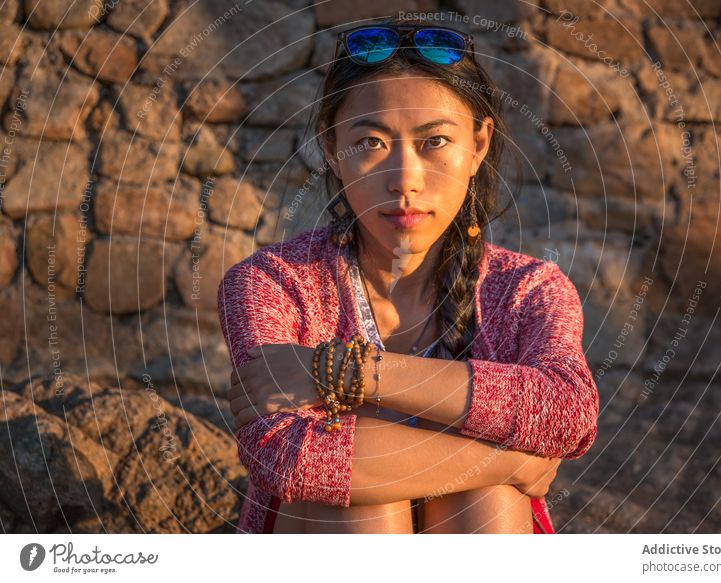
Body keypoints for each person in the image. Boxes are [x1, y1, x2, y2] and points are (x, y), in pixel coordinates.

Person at [217, 17, 599, 534]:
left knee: (484, 501)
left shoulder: (528, 290)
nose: (405, 179)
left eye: (435, 141)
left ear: (478, 145)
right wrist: (509, 460)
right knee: (361, 503)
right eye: (371, 142)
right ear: (332, 147)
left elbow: (568, 411)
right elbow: (288, 459)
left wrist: (342, 373)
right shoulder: (273, 285)